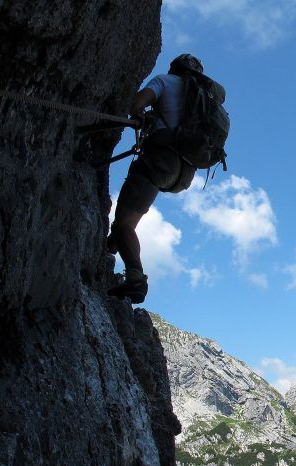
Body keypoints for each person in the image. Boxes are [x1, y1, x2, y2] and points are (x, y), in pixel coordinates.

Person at [106, 54, 203, 303]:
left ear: (174, 68)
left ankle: (135, 279)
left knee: (123, 224)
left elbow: (137, 104)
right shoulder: (200, 99)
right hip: (182, 171)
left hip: (159, 160)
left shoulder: (164, 81)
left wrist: (141, 115)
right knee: (130, 218)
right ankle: (113, 244)